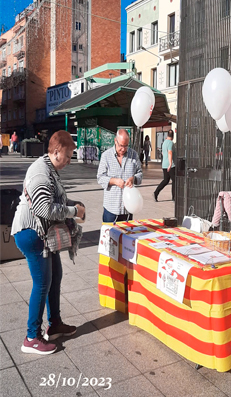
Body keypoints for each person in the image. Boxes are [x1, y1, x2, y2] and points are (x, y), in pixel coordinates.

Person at [11, 131, 86, 355]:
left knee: (56, 277)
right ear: (56, 152)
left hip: (41, 233)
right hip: (31, 233)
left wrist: (74, 204)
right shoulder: (41, 173)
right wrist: (73, 211)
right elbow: (45, 209)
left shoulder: (50, 167)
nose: (69, 160)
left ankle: (55, 325)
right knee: (42, 283)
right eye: (68, 155)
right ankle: (31, 337)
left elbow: (56, 199)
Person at [97, 129, 142, 223]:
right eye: (121, 145)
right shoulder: (106, 156)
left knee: (127, 236)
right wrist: (114, 181)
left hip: (128, 208)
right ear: (115, 141)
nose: (123, 149)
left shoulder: (133, 155)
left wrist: (134, 179)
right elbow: (100, 177)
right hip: (111, 208)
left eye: (126, 146)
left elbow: (140, 174)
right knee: (109, 236)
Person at [154, 130, 175, 202]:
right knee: (175, 181)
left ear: (167, 135)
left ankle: (156, 192)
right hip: (170, 165)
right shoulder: (170, 143)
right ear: (173, 136)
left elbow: (163, 153)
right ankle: (174, 197)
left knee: (166, 180)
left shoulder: (164, 143)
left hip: (164, 164)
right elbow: (170, 152)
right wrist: (170, 164)